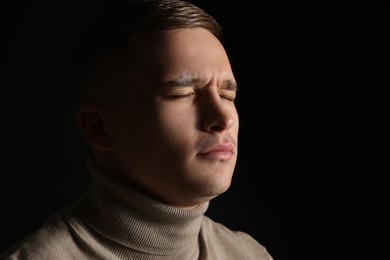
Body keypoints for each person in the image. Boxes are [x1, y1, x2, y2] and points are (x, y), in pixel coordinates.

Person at [1, 0, 273, 259]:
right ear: (100, 129)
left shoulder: (250, 254)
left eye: (227, 96)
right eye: (181, 93)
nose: (223, 119)